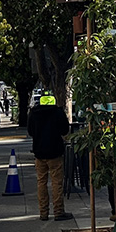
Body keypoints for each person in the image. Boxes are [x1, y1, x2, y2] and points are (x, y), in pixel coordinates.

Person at [27, 93, 72, 221]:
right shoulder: (58, 112)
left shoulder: (34, 113)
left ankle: (43, 212)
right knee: (57, 182)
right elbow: (64, 130)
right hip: (55, 152)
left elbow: (30, 131)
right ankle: (58, 211)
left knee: (41, 182)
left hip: (39, 152)